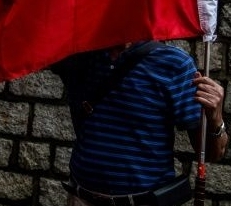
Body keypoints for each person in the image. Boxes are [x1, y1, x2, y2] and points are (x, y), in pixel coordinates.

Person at [51, 41, 228, 206]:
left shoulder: (174, 64)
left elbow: (211, 154)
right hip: (81, 199)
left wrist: (215, 118)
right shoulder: (79, 56)